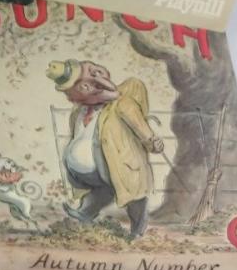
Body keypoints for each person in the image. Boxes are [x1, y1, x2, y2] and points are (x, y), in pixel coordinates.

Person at [47, 58, 163, 239]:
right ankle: (85, 213)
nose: (69, 97)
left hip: (122, 163)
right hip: (97, 169)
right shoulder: (79, 111)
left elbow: (139, 125)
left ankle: (137, 231)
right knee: (102, 191)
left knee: (134, 197)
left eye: (71, 91)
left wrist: (152, 142)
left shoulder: (122, 104)